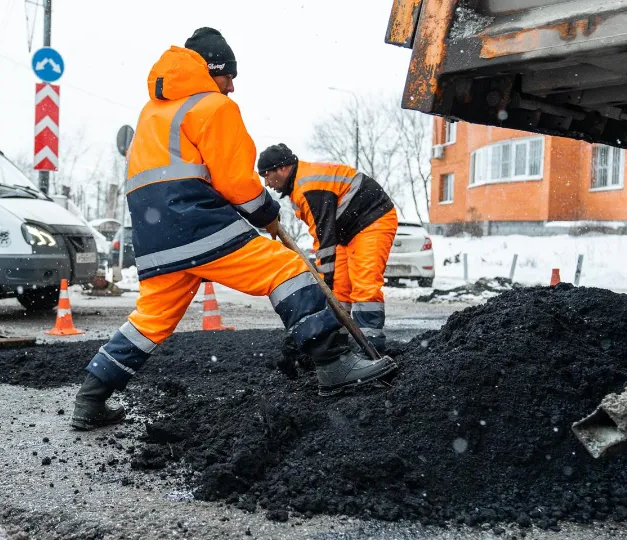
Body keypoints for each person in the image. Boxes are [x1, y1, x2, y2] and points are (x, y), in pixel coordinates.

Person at [70, 28, 397, 430]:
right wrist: (267, 216)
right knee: (288, 270)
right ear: (213, 70)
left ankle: (90, 397)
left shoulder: (152, 113)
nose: (233, 86)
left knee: (150, 318)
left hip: (155, 235)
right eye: (230, 76)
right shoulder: (213, 107)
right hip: (195, 222)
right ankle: (334, 365)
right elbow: (237, 183)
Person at [257, 144, 398, 352]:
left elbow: (324, 239)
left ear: (283, 168)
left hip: (373, 220)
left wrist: (325, 279)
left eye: (267, 175)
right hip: (347, 231)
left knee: (364, 284)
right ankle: (338, 345)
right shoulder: (300, 186)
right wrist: (329, 281)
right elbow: (325, 237)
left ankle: (371, 348)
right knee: (339, 289)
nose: (267, 183)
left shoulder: (308, 186)